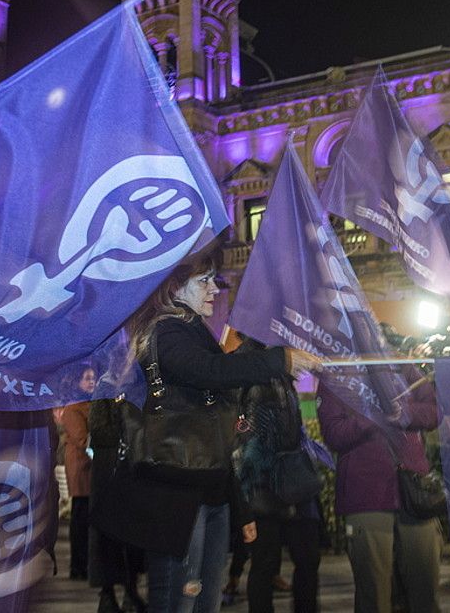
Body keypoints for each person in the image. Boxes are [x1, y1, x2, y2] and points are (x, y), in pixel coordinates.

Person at [104, 248, 321, 613]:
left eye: (214, 280)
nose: (214, 289)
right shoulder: (165, 330)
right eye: (203, 281)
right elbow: (209, 370)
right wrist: (276, 359)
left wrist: (241, 509)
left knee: (204, 599)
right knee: (180, 598)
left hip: (207, 485)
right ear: (174, 287)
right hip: (176, 489)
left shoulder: (191, 329)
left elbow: (219, 406)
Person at [318, 362, 441, 613]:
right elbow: (333, 433)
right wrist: (373, 416)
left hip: (414, 495)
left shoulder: (405, 369)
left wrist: (404, 411)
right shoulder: (336, 376)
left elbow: (435, 411)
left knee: (425, 588)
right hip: (365, 497)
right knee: (373, 593)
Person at [226, 327, 321, 613]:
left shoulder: (279, 362)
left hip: (292, 477)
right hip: (262, 483)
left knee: (307, 559)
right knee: (265, 564)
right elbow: (241, 434)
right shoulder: (240, 366)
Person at [88, 396, 147, 613]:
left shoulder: (135, 385)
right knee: (107, 536)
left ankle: (130, 591)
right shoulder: (105, 387)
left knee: (132, 535)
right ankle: (108, 593)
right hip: (108, 470)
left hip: (130, 471)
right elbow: (98, 429)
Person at [62, 365, 96, 582]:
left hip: (88, 467)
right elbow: (81, 438)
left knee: (84, 517)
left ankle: (84, 564)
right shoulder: (74, 407)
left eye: (93, 378)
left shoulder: (90, 404)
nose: (91, 382)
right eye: (87, 378)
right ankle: (78, 565)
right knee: (80, 517)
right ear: (77, 381)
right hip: (81, 468)